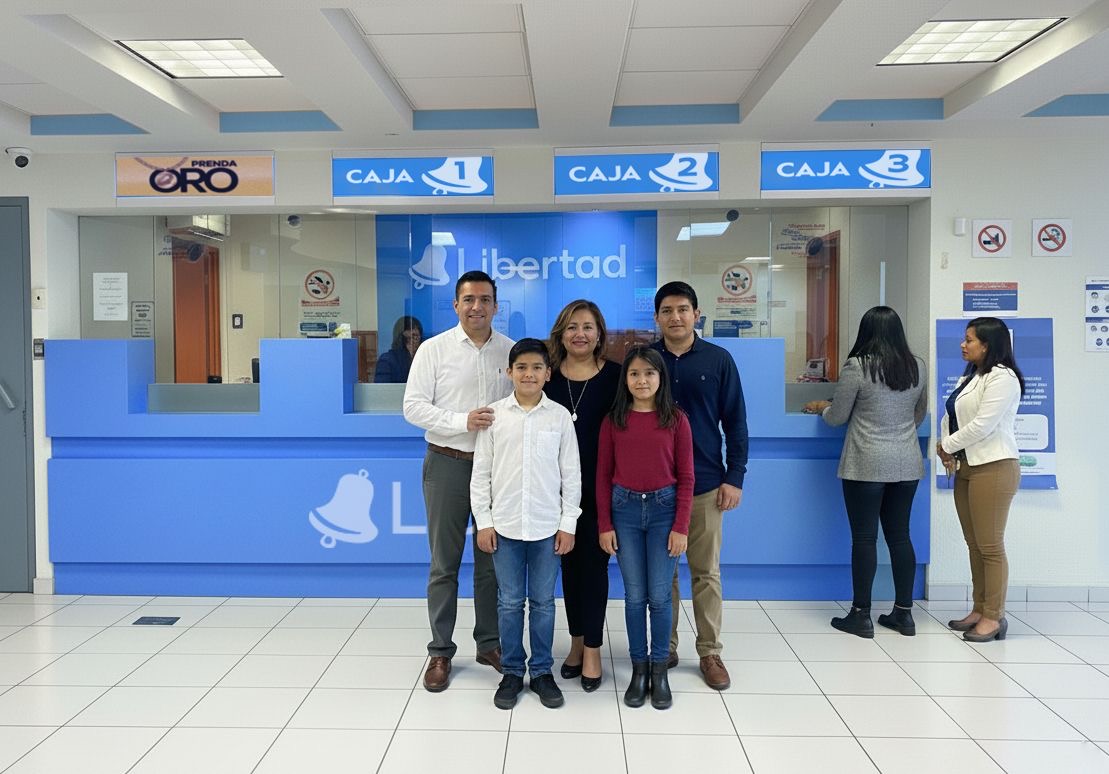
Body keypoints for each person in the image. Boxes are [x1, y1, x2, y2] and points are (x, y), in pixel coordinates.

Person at [402, 270, 514, 692]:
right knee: (444, 564)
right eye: (468, 299)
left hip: (496, 469)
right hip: (447, 463)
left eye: (485, 300)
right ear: (456, 305)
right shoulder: (433, 350)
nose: (476, 307)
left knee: (491, 563)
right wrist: (460, 421)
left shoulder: (510, 351)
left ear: (496, 306)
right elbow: (413, 408)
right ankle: (440, 650)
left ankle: (489, 643)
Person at [804, 306, 927, 638]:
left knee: (864, 538)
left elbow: (837, 417)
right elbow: (918, 415)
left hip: (866, 463)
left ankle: (861, 615)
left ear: (866, 332)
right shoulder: (917, 366)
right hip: (907, 463)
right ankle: (904, 614)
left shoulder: (858, 366)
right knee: (900, 536)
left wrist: (822, 407)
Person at [472, 338, 582, 710]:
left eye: (537, 368)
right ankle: (512, 671)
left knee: (543, 602)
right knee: (509, 602)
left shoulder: (559, 417)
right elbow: (481, 474)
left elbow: (571, 475)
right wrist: (484, 522)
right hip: (504, 526)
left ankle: (542, 671)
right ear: (509, 372)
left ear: (548, 373)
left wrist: (568, 524)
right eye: (521, 368)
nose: (529, 374)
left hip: (547, 527)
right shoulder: (494, 416)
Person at [650, 281, 747, 690]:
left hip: (706, 484)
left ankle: (709, 652)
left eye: (683, 309)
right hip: (656, 488)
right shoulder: (646, 360)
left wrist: (734, 477)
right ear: (657, 317)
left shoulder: (718, 359)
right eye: (667, 310)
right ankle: (665, 647)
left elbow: (736, 422)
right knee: (664, 576)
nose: (675, 317)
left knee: (706, 573)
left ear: (696, 314)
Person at [597, 346, 693, 709]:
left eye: (649, 373)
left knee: (660, 596)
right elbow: (602, 476)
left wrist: (681, 526)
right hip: (623, 511)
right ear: (625, 379)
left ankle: (659, 668)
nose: (642, 380)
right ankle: (639, 668)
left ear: (660, 378)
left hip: (664, 511)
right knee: (635, 596)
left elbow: (687, 477)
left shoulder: (676, 420)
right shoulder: (614, 420)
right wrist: (605, 524)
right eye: (634, 374)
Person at [544, 299, 621, 691]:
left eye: (588, 327)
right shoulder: (547, 378)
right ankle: (575, 643)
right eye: (572, 327)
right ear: (561, 333)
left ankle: (593, 648)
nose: (580, 334)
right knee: (569, 570)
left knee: (595, 569)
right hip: (554, 493)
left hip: (601, 490)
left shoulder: (617, 377)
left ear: (599, 334)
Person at [937, 317, 1024, 643]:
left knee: (990, 546)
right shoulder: (974, 376)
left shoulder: (1003, 377)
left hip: (994, 467)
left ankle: (994, 616)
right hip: (967, 467)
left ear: (987, 345)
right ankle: (979, 608)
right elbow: (952, 415)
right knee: (974, 544)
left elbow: (983, 425)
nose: (963, 344)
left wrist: (946, 445)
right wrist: (946, 447)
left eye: (970, 340)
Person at [374, 315, 423, 383]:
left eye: (415, 337)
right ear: (400, 339)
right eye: (407, 338)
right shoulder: (386, 361)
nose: (412, 342)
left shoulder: (424, 359)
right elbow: (382, 388)